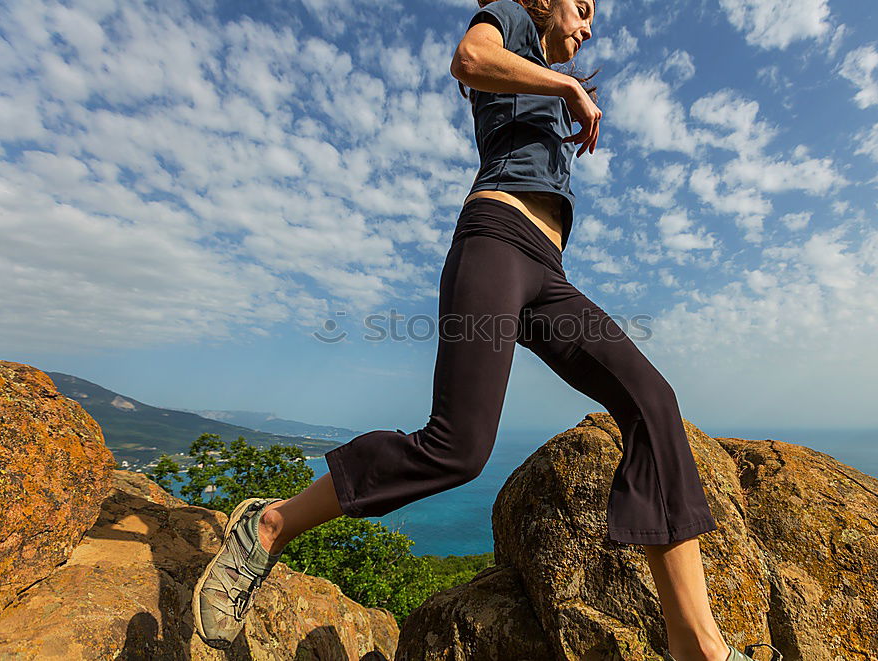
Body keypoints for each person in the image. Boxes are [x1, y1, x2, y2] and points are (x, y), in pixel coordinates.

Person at [193, 2, 780, 660]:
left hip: (546, 270)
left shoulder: (538, 71)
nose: (587, 27)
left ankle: (696, 644)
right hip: (495, 241)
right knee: (458, 448)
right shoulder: (513, 22)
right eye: (581, 8)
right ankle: (269, 524)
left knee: (651, 399)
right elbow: (468, 60)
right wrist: (565, 85)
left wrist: (560, 89)